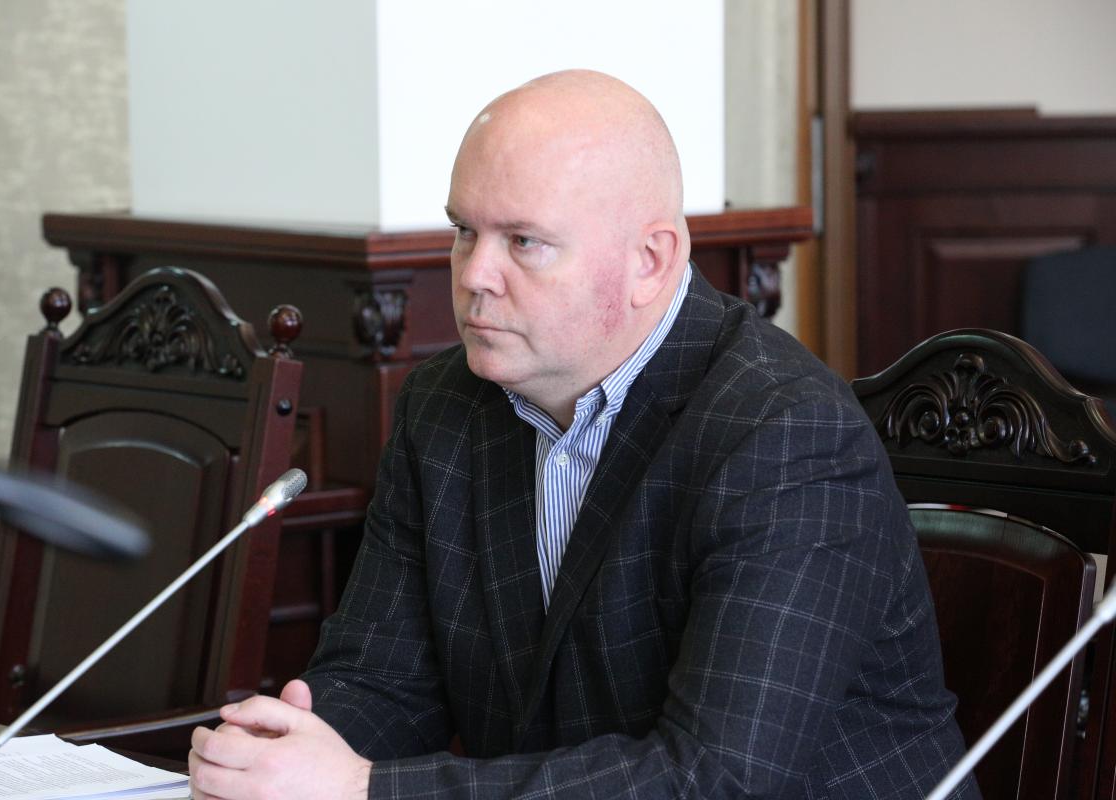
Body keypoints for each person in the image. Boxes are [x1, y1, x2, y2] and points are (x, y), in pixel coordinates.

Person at [188, 69, 978, 799]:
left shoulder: (785, 434)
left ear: (650, 261)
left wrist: (363, 789)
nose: (472, 275)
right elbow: (384, 682)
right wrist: (290, 748)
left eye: (523, 241)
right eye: (464, 230)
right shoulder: (445, 406)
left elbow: (713, 779)